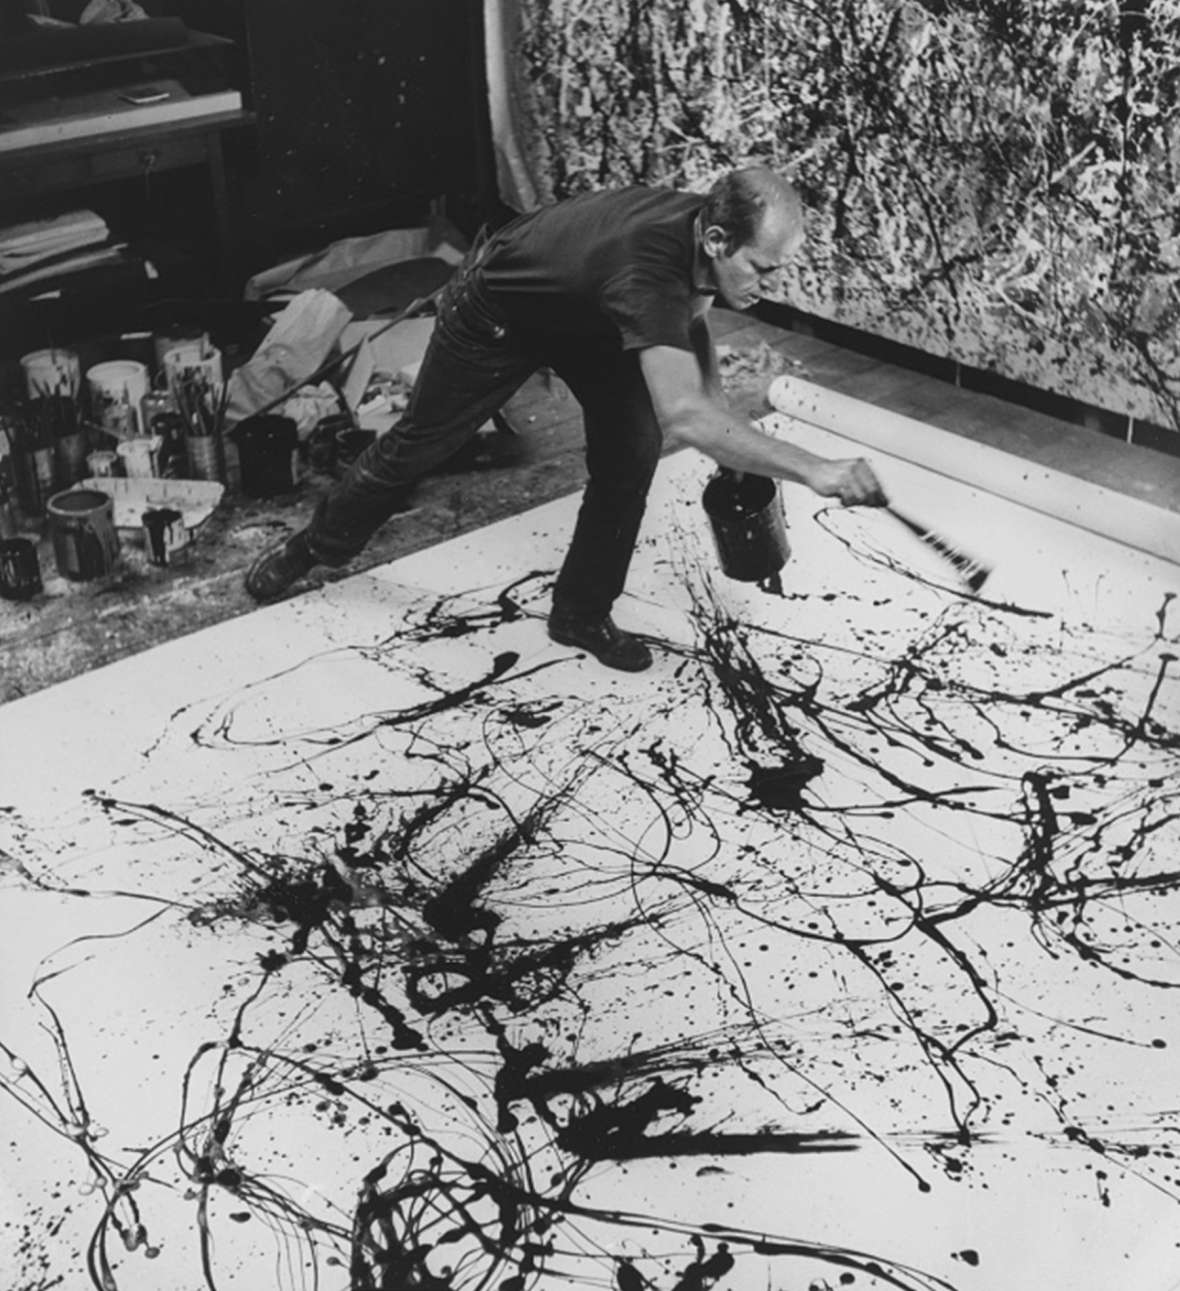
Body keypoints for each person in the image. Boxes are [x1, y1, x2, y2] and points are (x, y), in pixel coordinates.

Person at [245, 166, 886, 671]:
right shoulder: (646, 269)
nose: (768, 286)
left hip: (587, 315)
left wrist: (723, 425)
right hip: (497, 313)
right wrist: (814, 468)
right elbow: (685, 416)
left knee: (631, 453)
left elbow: (690, 322)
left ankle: (580, 614)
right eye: (763, 270)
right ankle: (314, 546)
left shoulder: (702, 231)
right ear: (717, 240)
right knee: (420, 445)